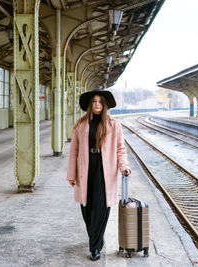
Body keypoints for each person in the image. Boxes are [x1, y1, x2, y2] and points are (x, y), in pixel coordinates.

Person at [67, 88, 131, 261]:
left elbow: (120, 148)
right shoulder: (81, 125)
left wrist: (124, 166)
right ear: (90, 105)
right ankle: (96, 238)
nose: (97, 104)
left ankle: (94, 247)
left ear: (104, 105)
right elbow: (74, 150)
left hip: (105, 170)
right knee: (87, 209)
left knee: (101, 209)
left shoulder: (113, 124)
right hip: (85, 169)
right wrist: (71, 174)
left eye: (100, 102)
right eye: (94, 101)